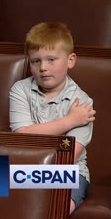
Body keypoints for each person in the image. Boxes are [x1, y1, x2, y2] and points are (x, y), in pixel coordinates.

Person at [9, 22, 95, 214]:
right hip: (23, 167)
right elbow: (21, 135)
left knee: (54, 208)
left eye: (51, 60)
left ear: (70, 60)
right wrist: (70, 121)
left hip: (69, 172)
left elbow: (66, 158)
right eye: (35, 61)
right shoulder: (20, 89)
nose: (43, 68)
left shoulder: (83, 103)